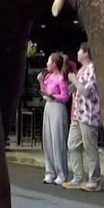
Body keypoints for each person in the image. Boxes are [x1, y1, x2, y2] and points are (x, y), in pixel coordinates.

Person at [64, 44, 102, 192]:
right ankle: (78, 177)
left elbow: (86, 91)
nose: (78, 53)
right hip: (77, 113)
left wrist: (74, 80)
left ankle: (94, 180)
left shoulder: (93, 69)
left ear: (86, 53)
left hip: (89, 114)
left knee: (90, 148)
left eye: (80, 50)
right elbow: (77, 90)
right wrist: (71, 84)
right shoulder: (81, 70)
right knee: (72, 144)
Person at [38, 52, 71, 186]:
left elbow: (65, 97)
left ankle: (61, 173)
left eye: (48, 62)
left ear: (54, 64)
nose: (47, 64)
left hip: (58, 107)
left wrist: (53, 96)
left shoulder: (61, 78)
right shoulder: (48, 77)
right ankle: (49, 172)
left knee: (58, 139)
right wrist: (40, 81)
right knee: (48, 140)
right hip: (48, 106)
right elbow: (44, 91)